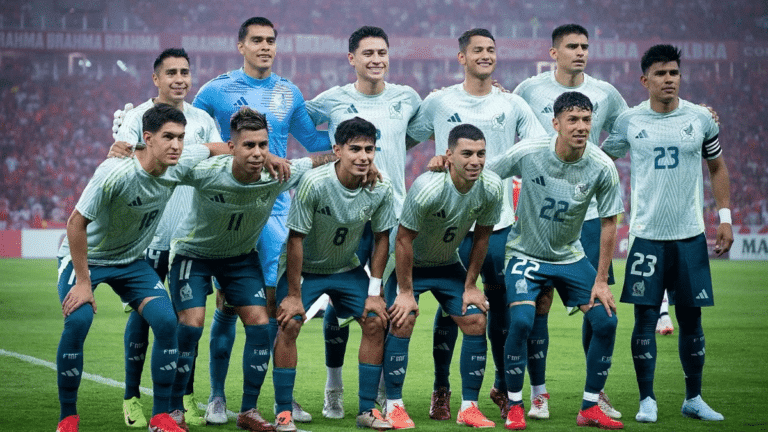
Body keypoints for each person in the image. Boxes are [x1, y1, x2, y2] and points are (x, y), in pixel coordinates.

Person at [192, 16, 330, 424]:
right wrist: (253, 153)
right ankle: (217, 396)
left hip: (277, 205)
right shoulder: (215, 90)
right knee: (227, 303)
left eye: (270, 40)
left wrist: (367, 132)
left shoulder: (289, 92)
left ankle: (279, 398)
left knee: (273, 303)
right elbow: (194, 139)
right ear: (241, 46)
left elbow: (314, 140)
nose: (265, 46)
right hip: (229, 204)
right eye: (257, 40)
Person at [406, 28, 545, 421]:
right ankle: (441, 389)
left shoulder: (512, 104)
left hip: (498, 224)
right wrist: (434, 161)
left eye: (491, 50)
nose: (486, 55)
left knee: (499, 307)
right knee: (451, 308)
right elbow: (404, 138)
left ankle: (501, 386)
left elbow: (539, 144)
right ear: (462, 57)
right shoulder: (439, 101)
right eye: (478, 50)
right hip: (447, 227)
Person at [166, 107, 328, 432]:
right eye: (249, 145)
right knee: (191, 325)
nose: (257, 153)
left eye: (262, 145)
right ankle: (173, 408)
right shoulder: (207, 172)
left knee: (259, 325)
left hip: (240, 258)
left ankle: (248, 411)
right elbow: (167, 160)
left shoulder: (277, 175)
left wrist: (359, 164)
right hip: (194, 254)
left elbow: (319, 161)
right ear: (232, 147)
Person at [55, 104, 212, 432]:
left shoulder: (180, 161)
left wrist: (267, 157)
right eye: (168, 137)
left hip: (130, 262)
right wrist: (83, 283)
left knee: (167, 322)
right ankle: (68, 418)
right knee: (78, 320)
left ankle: (160, 416)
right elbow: (75, 223)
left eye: (181, 137)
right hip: (89, 259)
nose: (176, 145)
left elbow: (217, 147)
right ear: (147, 138)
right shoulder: (115, 171)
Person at [602, 44, 732, 423]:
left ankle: (694, 399)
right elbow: (602, 160)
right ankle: (647, 400)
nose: (669, 79)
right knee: (645, 319)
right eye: (660, 73)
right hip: (646, 236)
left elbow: (717, 167)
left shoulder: (701, 119)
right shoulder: (629, 121)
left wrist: (725, 218)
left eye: (674, 72)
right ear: (645, 80)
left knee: (691, 320)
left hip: (690, 235)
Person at [485, 91, 624, 430]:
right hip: (525, 253)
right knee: (521, 322)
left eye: (586, 120)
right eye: (572, 120)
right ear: (556, 123)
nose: (581, 127)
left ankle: (590, 407)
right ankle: (515, 405)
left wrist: (601, 281)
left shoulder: (602, 165)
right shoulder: (530, 151)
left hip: (570, 257)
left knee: (606, 321)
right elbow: (487, 174)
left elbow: (609, 222)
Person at [304, 25, 422, 419]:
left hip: (393, 215)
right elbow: (294, 119)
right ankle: (334, 386)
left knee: (385, 305)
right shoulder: (332, 99)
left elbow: (421, 132)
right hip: (346, 216)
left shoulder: (407, 97)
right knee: (339, 304)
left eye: (382, 52)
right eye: (368, 53)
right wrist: (328, 158)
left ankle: (383, 390)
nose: (376, 59)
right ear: (351, 58)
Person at [511, 23, 627, 421]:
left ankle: (596, 393)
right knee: (539, 304)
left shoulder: (605, 93)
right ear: (553, 53)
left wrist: (599, 158)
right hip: (542, 216)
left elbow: (629, 127)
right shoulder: (529, 89)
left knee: (596, 302)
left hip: (588, 215)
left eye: (584, 46)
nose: (580, 52)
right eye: (572, 46)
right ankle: (537, 393)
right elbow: (512, 125)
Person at [113, 47, 222, 429]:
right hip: (146, 239)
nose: (179, 79)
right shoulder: (136, 117)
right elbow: (124, 161)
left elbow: (222, 156)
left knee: (188, 323)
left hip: (189, 240)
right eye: (171, 72)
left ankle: (183, 396)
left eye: (184, 72)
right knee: (145, 319)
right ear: (156, 78)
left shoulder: (202, 119)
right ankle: (131, 396)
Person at [273, 117, 396, 431]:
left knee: (375, 320)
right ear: (337, 150)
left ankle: (368, 409)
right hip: (306, 270)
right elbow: (295, 239)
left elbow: (382, 238)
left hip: (346, 268)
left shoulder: (380, 187)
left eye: (369, 149)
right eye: (355, 149)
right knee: (290, 322)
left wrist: (374, 292)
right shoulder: (314, 183)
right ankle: (283, 411)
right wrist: (294, 295)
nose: (363, 156)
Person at [384, 123, 502, 429]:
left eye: (480, 154)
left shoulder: (491, 187)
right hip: (409, 265)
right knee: (403, 319)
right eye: (467, 154)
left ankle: (469, 408)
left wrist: (471, 285)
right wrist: (405, 292)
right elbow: (403, 240)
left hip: (447, 264)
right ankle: (393, 406)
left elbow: (482, 237)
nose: (475, 161)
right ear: (449, 155)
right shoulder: (428, 187)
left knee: (476, 319)